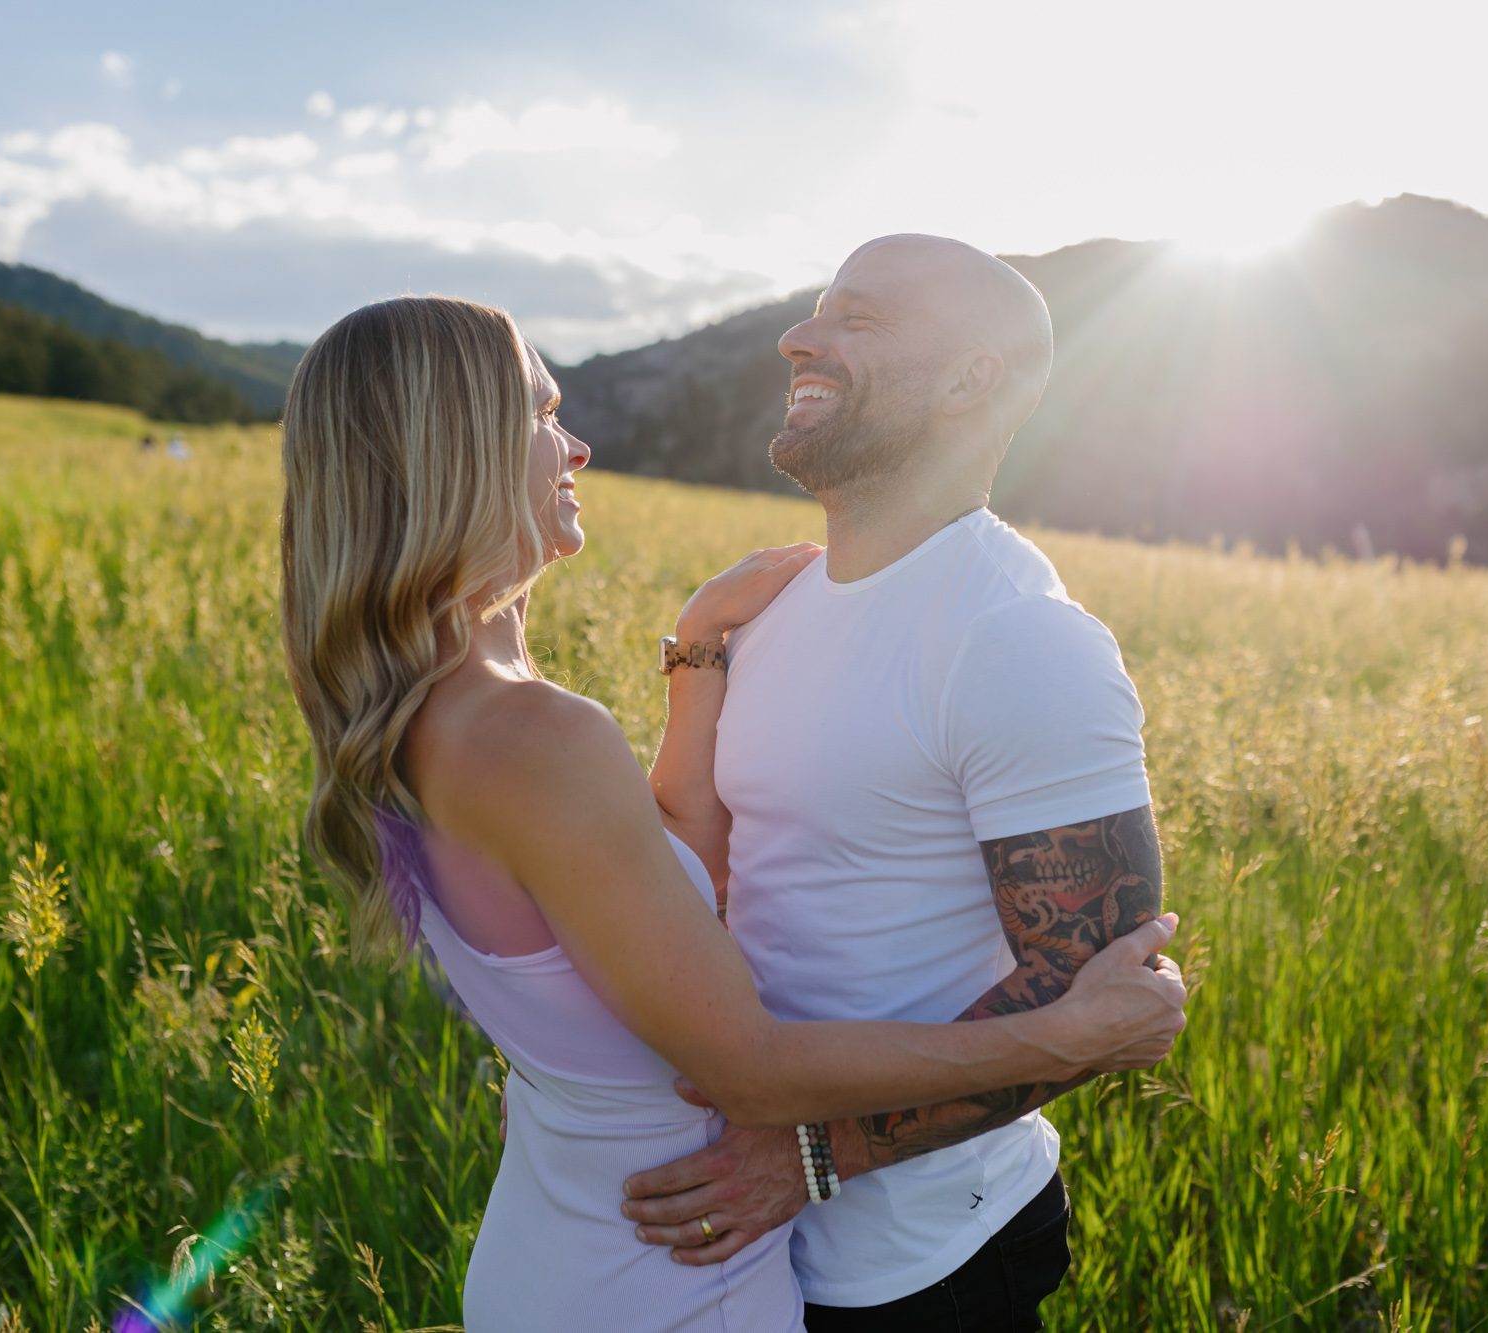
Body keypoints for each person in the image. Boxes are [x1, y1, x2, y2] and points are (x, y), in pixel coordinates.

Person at [277, 294, 1188, 1332]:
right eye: (540, 416)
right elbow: (747, 1073)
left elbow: (659, 877)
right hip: (667, 1276)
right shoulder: (532, 737)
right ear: (454, 448)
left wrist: (696, 650)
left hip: (563, 1242)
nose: (573, 447)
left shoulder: (421, 712)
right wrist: (1066, 1034)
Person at [619, 235, 1165, 1331]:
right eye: (815, 313)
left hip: (926, 1260)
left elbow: (1095, 996)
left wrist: (814, 1157)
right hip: (747, 1242)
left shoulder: (1013, 637)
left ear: (973, 378)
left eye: (856, 320)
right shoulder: (765, 610)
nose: (797, 337)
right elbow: (705, 872)